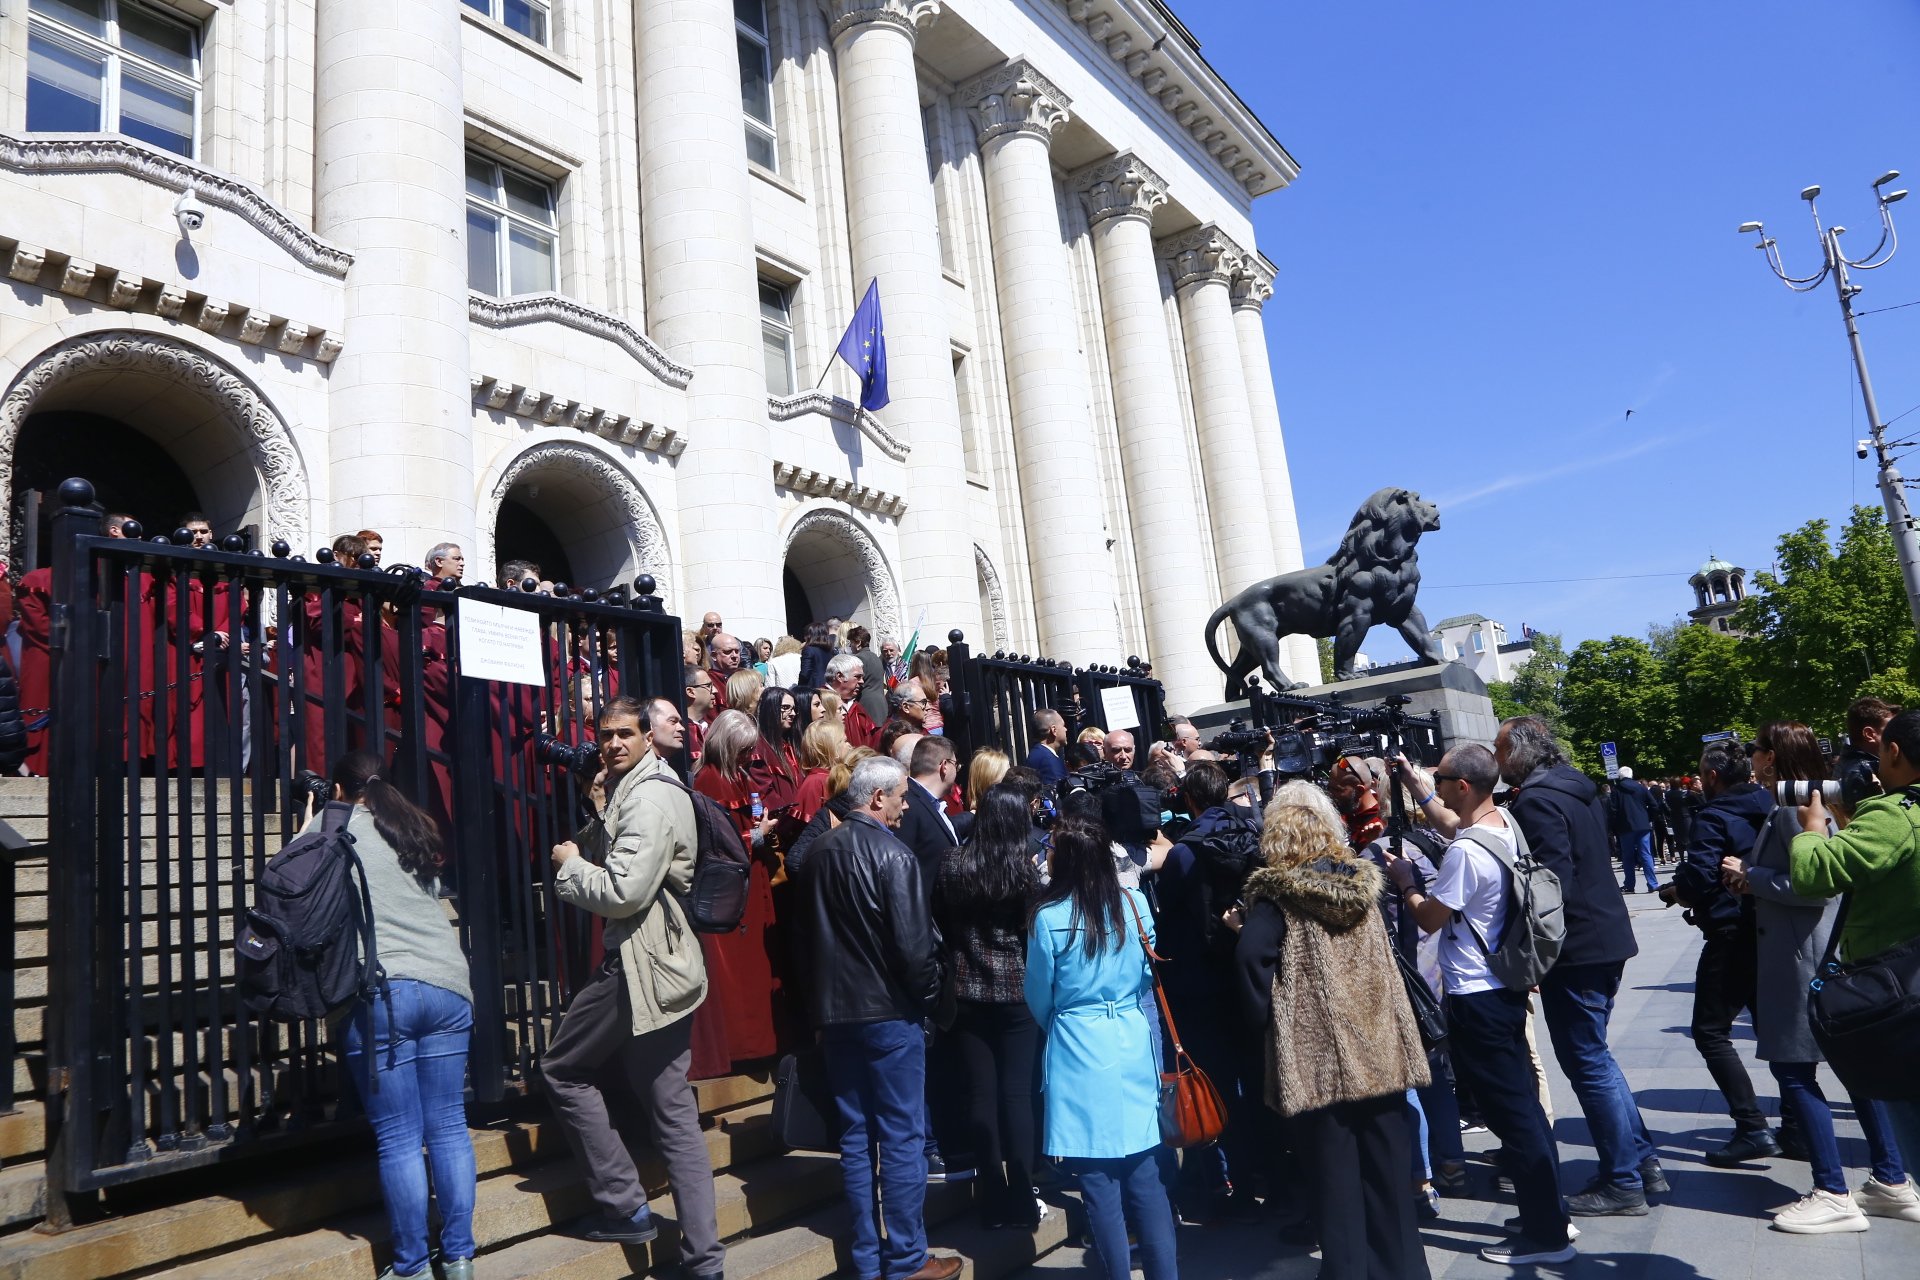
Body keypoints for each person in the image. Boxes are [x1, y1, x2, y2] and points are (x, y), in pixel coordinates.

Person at [541, 700, 722, 1270]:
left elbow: (623, 891)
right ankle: (704, 1257)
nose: (613, 743)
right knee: (673, 1115)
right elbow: (623, 857)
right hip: (660, 962)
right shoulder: (635, 790)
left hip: (640, 964)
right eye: (606, 734)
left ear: (649, 737)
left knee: (562, 1069)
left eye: (625, 733)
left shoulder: (648, 797)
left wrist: (570, 864)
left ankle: (624, 1205)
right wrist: (598, 804)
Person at [1233, 781, 1432, 1280]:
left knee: (1333, 1177)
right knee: (1388, 1168)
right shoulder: (1361, 886)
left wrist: (1266, 1027)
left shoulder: (1275, 897)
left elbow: (1251, 963)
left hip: (1316, 1056)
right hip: (1379, 1045)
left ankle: (1347, 1271)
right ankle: (1404, 1270)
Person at [1388, 744, 1575, 1266]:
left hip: (1476, 997)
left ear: (1463, 786)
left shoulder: (1467, 854)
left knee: (1510, 1114)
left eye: (1441, 779)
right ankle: (1548, 1212)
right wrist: (1412, 782)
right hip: (1504, 988)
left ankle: (1547, 1237)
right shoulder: (1503, 825)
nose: (1439, 785)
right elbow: (1452, 821)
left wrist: (1407, 884)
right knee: (1524, 1107)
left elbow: (1429, 919)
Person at [1727, 721, 1918, 1232]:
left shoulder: (1801, 811)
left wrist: (1752, 877)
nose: (1752, 761)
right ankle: (1891, 1179)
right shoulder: (1837, 805)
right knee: (1860, 1073)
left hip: (1802, 958)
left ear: (1773, 758)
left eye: (1759, 752)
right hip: (1828, 956)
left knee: (1795, 1071)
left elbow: (1812, 885)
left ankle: (1833, 1188)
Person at [795, 756, 961, 1280]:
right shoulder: (895, 856)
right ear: (876, 799)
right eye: (899, 797)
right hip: (889, 1014)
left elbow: (807, 943)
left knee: (856, 1135)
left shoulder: (818, 855)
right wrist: (932, 1001)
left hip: (839, 1014)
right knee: (902, 1136)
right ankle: (908, 1258)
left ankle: (870, 1258)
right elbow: (915, 952)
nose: (905, 806)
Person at [1489, 717, 1663, 1214]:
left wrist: (1536, 953)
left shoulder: (1539, 799)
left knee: (1587, 1062)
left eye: (1501, 751)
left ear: (1521, 752)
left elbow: (1550, 884)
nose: (1498, 760)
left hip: (1580, 948)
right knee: (1598, 1058)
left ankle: (1624, 1181)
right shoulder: (1574, 787)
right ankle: (1641, 1162)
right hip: (1603, 939)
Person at [314, 753, 476, 1280]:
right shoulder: (410, 824)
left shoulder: (330, 824)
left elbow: (290, 886)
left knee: (401, 1138)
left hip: (383, 990)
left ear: (338, 788)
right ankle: (458, 1258)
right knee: (449, 1127)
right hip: (449, 984)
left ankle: (411, 1266)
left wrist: (308, 820)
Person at [1025, 816, 1176, 1280]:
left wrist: (1070, 1018)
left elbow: (1039, 995)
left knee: (1098, 1185)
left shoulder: (1048, 917)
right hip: (1131, 1038)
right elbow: (1150, 975)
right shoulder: (1132, 904)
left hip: (1077, 1046)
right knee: (1148, 1178)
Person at [1788, 707, 1920, 1199]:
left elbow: (1813, 874)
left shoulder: (1896, 815)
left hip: (1903, 995)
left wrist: (1809, 828)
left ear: (1893, 751)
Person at [1665, 738, 1778, 1168]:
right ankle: (1798, 1123)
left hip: (1730, 928)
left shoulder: (1714, 815)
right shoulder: (1768, 802)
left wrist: (1682, 888)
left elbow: (1699, 872)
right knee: (1771, 1028)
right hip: (1767, 923)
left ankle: (1751, 1126)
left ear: (1712, 777)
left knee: (1710, 1031)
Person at [935, 788, 1044, 1229]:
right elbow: (1033, 932)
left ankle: (992, 1198)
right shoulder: (1024, 872)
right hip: (1017, 993)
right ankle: (1022, 1193)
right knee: (1016, 1094)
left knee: (980, 1093)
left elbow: (940, 922)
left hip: (966, 989)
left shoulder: (952, 865)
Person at [691, 710, 781, 1073]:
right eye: (742, 750)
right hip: (732, 891)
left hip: (749, 882)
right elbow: (718, 844)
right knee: (737, 976)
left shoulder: (733, 775)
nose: (748, 757)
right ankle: (740, 1050)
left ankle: (754, 1047)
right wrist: (758, 834)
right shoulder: (713, 781)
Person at [897, 735, 960, 876]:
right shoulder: (907, 806)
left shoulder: (933, 803)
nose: (957, 771)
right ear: (944, 766)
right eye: (956, 765)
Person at [1608, 767, 1661, 893]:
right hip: (1642, 825)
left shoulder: (1616, 790)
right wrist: (1648, 818)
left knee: (1628, 857)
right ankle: (1652, 883)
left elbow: (1613, 810)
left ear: (1619, 776)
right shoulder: (1641, 787)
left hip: (1625, 827)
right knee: (1646, 854)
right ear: (1631, 775)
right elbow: (1654, 805)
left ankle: (1629, 885)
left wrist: (1614, 827)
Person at [792, 718, 846, 824]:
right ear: (832, 748)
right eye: (844, 741)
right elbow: (811, 830)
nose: (849, 745)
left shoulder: (831, 776)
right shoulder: (816, 782)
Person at [828, 654, 881, 748]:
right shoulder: (821, 704)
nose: (862, 681)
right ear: (840, 676)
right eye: (857, 677)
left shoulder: (857, 707)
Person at [1025, 708, 1068, 787]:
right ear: (1054, 730)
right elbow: (1059, 796)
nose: (1066, 729)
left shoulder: (1038, 753)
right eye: (1063, 725)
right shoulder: (1048, 761)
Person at [799, 620, 838, 689]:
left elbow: (805, 673)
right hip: (829, 686)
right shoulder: (831, 651)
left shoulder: (809, 650)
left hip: (814, 687)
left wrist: (800, 687)